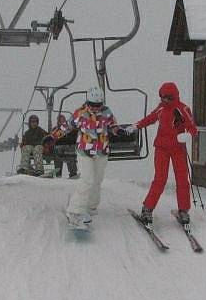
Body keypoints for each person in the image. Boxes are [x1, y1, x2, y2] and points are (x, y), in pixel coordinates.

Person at [128, 82, 198, 225]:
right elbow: (150, 118)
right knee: (160, 179)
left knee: (182, 179)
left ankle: (183, 210)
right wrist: (137, 126)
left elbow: (192, 127)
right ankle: (147, 208)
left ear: (174, 96)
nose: (164, 100)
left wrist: (188, 135)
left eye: (167, 98)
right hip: (162, 148)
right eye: (162, 97)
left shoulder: (183, 109)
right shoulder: (161, 108)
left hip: (178, 148)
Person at [65, 86, 122, 227]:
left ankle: (90, 206)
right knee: (87, 180)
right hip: (85, 151)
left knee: (97, 181)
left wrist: (117, 130)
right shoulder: (81, 113)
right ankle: (75, 211)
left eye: (98, 105)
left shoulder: (106, 112)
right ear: (88, 102)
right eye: (93, 105)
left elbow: (113, 124)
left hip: (101, 151)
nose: (96, 108)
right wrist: (52, 137)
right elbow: (67, 126)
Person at [42, 114, 78, 179]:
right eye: (60, 121)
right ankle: (58, 173)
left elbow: (74, 137)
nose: (62, 122)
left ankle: (73, 173)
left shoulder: (69, 128)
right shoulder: (55, 129)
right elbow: (52, 138)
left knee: (69, 152)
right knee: (57, 152)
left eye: (63, 120)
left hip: (68, 146)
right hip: (59, 146)